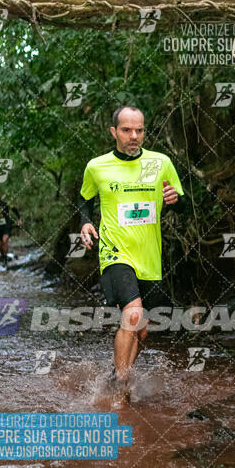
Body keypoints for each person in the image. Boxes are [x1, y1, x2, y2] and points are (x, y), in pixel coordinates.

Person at [79, 106, 184, 395]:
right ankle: (123, 386)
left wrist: (176, 200)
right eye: (126, 130)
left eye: (139, 130)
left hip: (149, 259)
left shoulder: (160, 163)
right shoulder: (97, 166)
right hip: (114, 253)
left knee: (144, 329)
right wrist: (86, 223)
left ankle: (116, 374)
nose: (133, 136)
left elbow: (183, 203)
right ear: (114, 131)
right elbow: (84, 200)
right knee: (133, 316)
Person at [0, 193, 23, 267]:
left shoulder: (5, 204)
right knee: (0, 246)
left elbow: (15, 210)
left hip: (7, 225)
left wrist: (19, 219)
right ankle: (3, 257)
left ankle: (5, 260)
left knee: (5, 240)